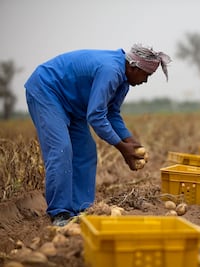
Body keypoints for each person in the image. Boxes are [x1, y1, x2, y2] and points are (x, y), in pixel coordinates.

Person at [25, 44, 171, 226]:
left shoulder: (124, 81)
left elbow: (111, 113)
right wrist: (122, 148)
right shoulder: (111, 71)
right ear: (134, 67)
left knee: (86, 151)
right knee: (61, 148)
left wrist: (131, 141)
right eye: (146, 75)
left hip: (73, 104)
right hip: (47, 90)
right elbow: (95, 116)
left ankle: (82, 208)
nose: (146, 81)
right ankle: (60, 212)